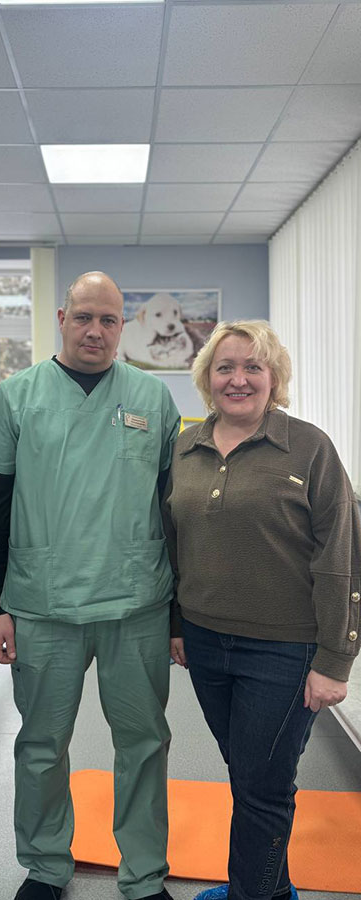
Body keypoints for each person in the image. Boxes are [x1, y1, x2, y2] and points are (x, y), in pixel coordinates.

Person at [0, 271, 180, 900]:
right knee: (41, 744)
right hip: (42, 603)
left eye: (108, 320)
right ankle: (44, 866)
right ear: (62, 318)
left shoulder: (152, 398)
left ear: (123, 327)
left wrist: (178, 615)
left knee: (144, 743)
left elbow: (172, 509)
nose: (95, 330)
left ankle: (144, 875)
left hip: (136, 603)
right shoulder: (16, 397)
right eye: (84, 317)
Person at [162, 320, 361, 900]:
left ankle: (252, 893)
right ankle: (272, 888)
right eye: (225, 367)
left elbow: (342, 556)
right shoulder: (186, 447)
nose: (238, 379)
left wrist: (336, 660)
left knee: (261, 788)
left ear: (275, 377)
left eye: (253, 367)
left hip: (286, 649)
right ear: (207, 377)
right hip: (206, 642)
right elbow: (174, 545)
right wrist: (177, 624)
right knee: (253, 777)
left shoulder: (309, 446)